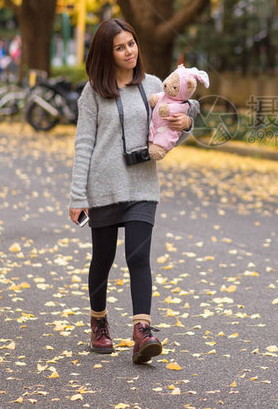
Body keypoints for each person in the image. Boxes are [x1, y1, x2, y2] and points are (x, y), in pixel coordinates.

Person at [67, 18, 199, 364]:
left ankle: (143, 332)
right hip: (104, 186)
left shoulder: (155, 85)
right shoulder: (93, 91)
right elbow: (84, 144)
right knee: (103, 259)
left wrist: (186, 123)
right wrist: (77, 196)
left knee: (138, 257)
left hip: (142, 184)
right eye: (120, 47)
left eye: (132, 44)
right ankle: (99, 323)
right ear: (106, 53)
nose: (129, 51)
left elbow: (172, 125)